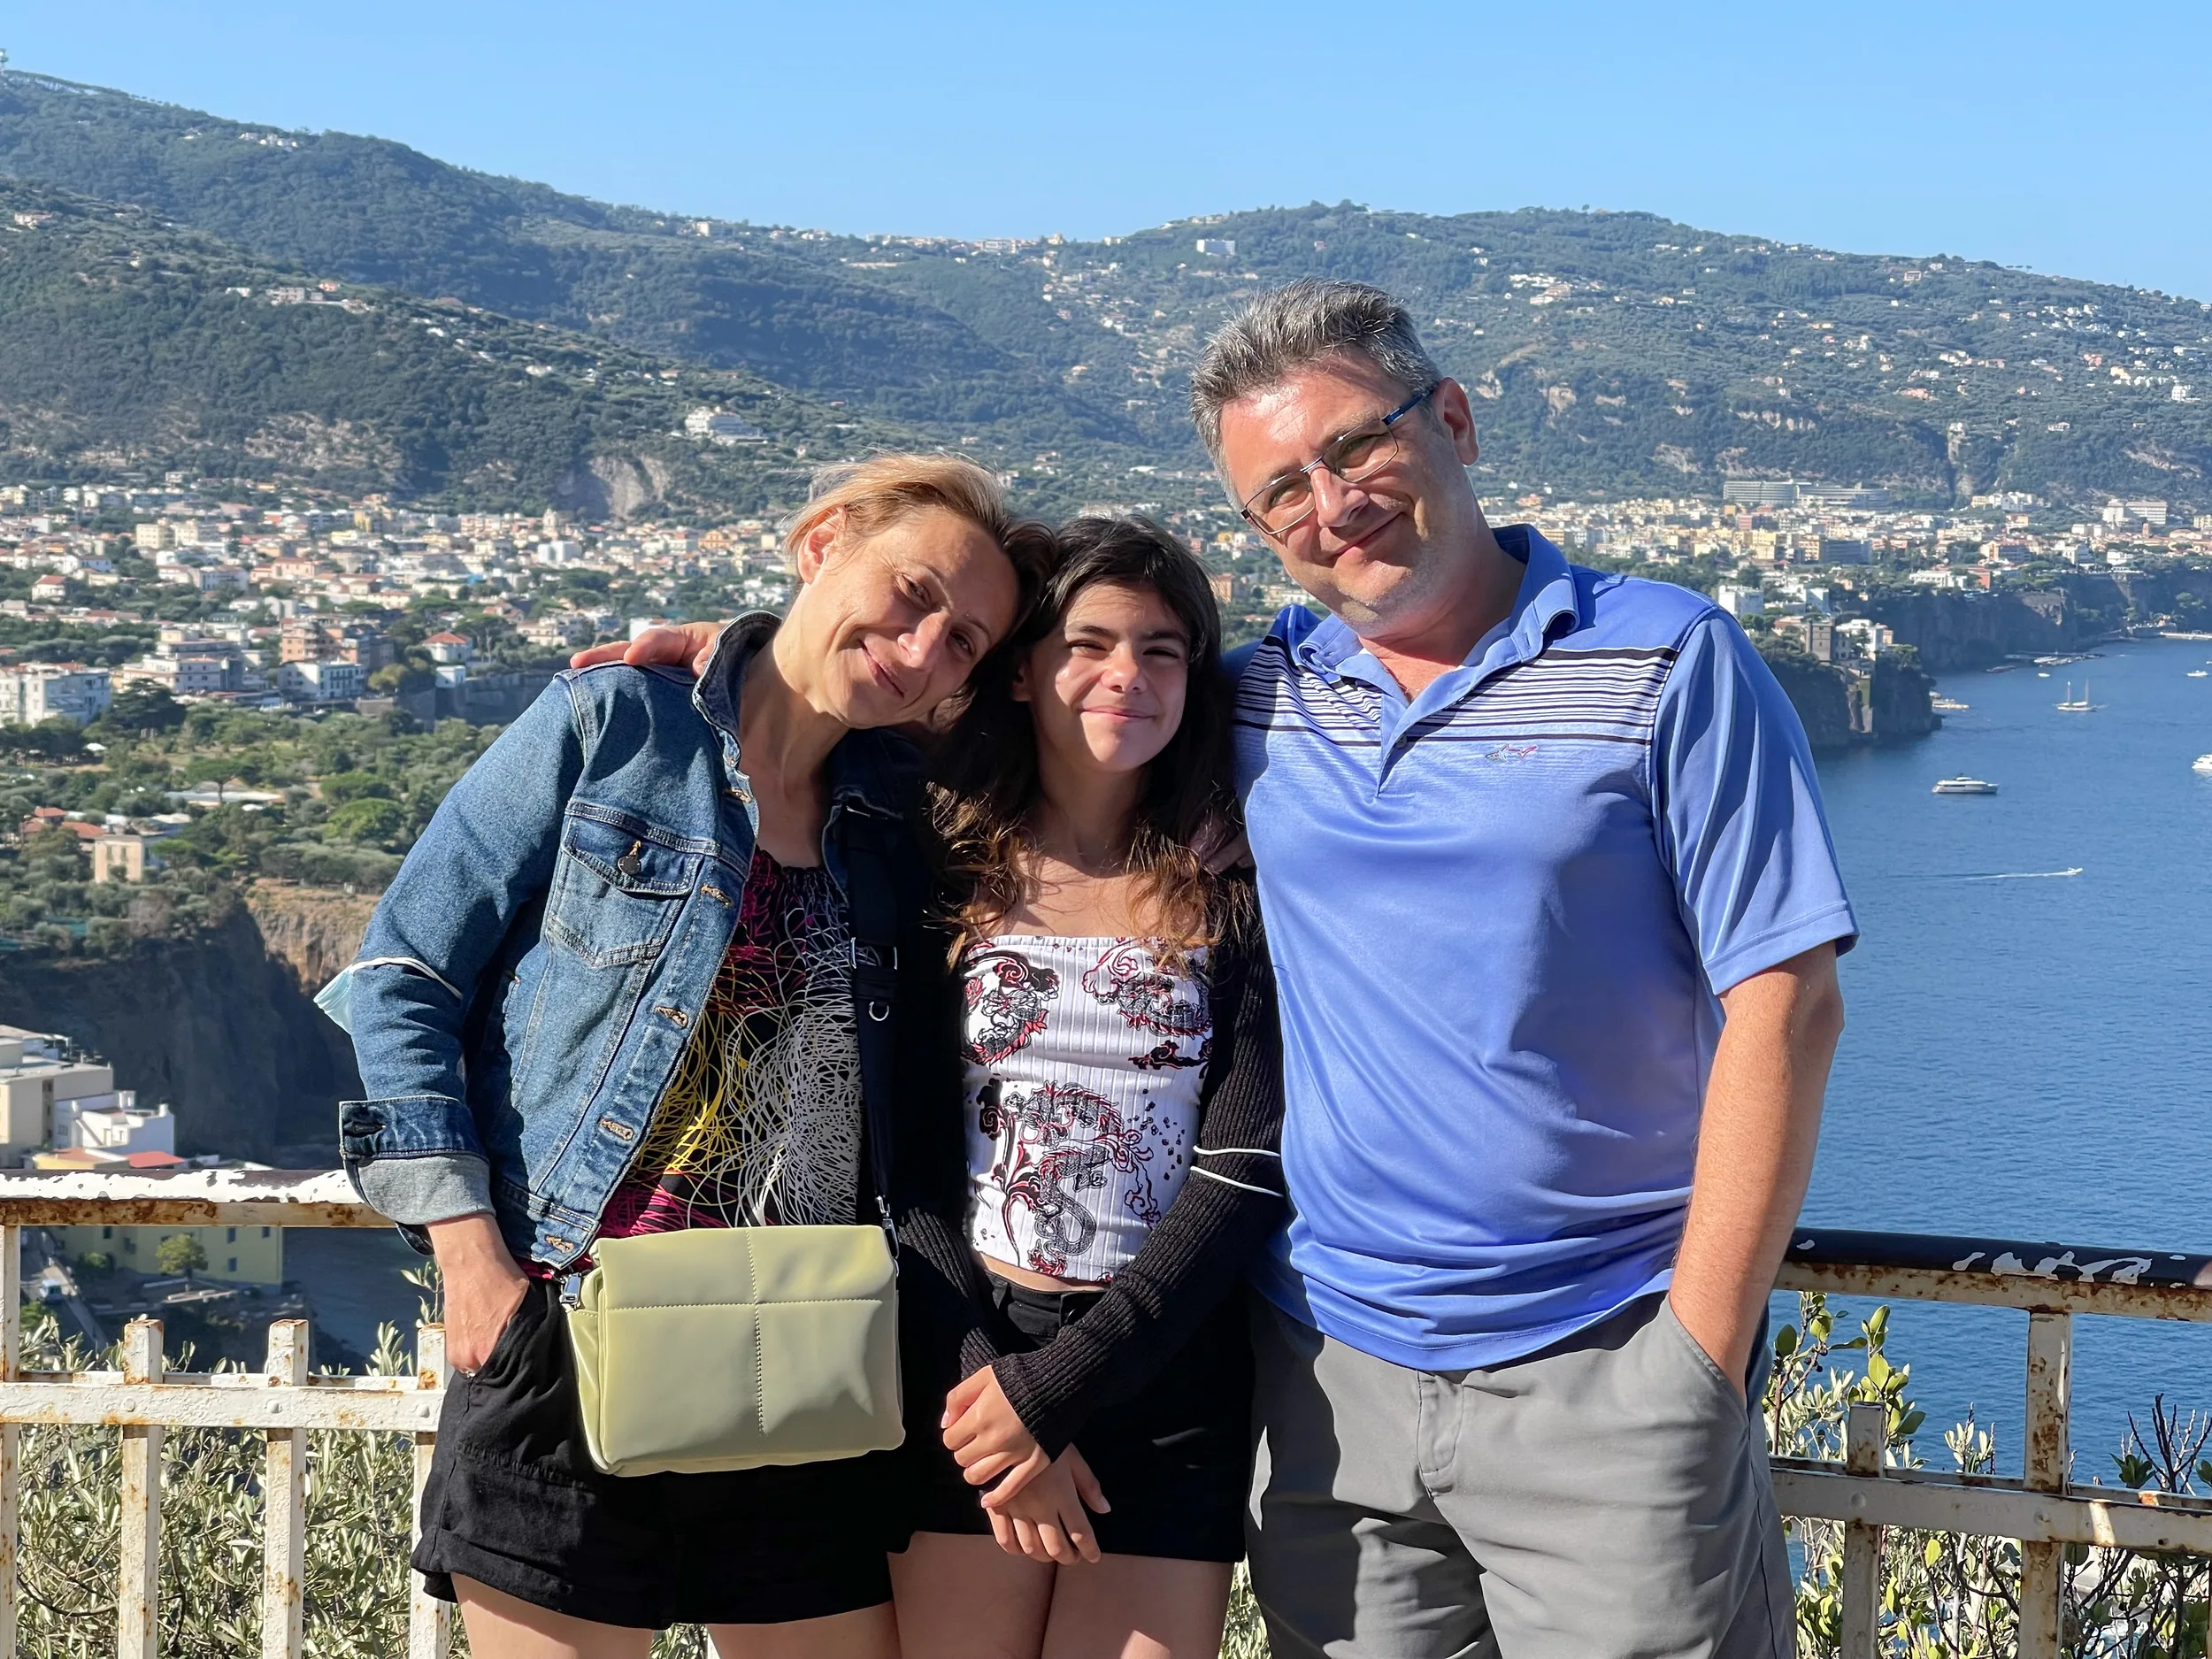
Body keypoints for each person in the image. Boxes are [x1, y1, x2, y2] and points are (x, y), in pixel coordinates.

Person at [606, 280, 1855, 1658]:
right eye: (1281, 492)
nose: (1332, 503)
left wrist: (1698, 1355)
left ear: (1453, 418)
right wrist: (737, 664)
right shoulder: (1266, 694)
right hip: (1328, 1376)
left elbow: (1786, 1003)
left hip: (1601, 1359)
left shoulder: (1670, 659)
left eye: (1356, 447)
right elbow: (978, 690)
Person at [330, 454, 1052, 1659]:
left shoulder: (902, 815)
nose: (926, 647)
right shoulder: (613, 728)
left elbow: (1107, 698)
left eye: (966, 640)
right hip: (566, 1336)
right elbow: (401, 979)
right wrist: (467, 1253)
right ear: (822, 540)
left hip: (806, 1365)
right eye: (912, 592)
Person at [890, 516, 1287, 1659]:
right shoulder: (937, 864)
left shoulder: (1231, 880)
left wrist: (1066, 1385)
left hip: (1169, 1358)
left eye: (1163, 649)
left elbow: (1245, 1156)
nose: (1128, 675)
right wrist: (1001, 1394)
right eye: (1089, 643)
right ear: (1022, 668)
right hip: (968, 1356)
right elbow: (906, 1157)